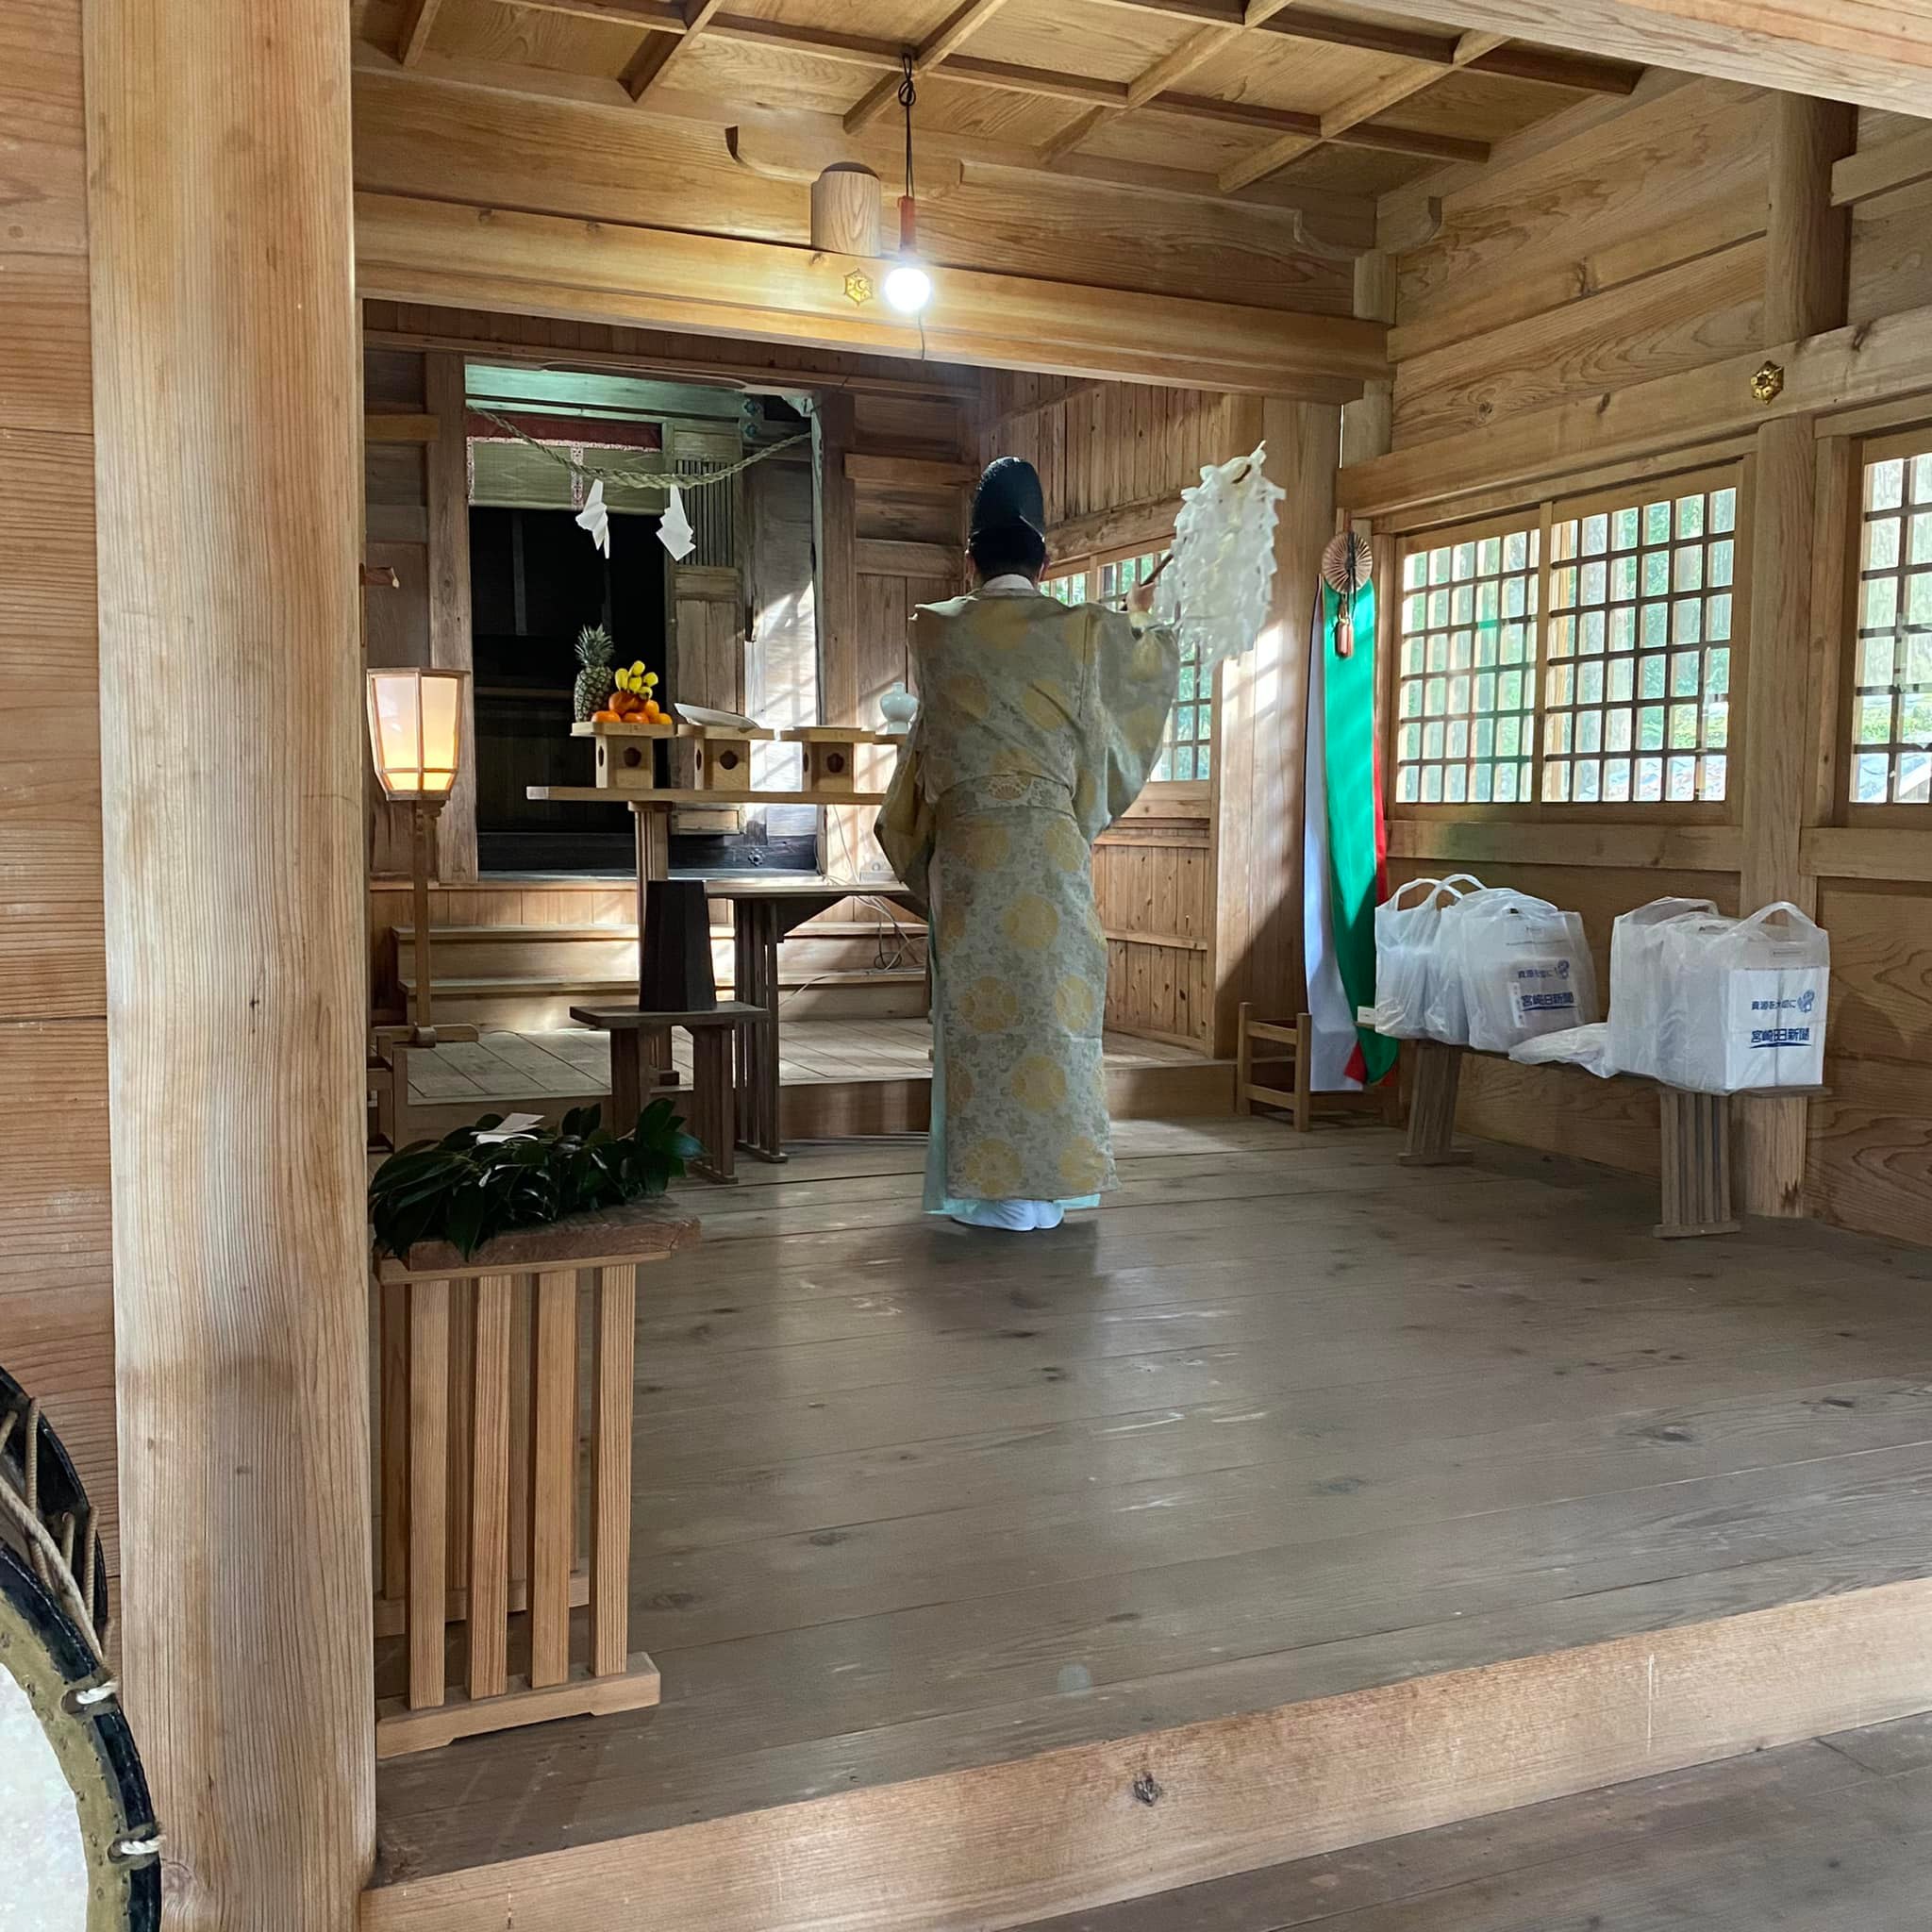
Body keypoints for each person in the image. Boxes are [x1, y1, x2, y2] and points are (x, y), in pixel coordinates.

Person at [878, 457, 1179, 1232]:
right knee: (1056, 1010)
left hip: (971, 849)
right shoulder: (1081, 630)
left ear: (971, 559)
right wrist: (1142, 614)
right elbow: (1135, 680)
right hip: (1049, 845)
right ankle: (1054, 1190)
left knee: (979, 1014)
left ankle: (991, 1191)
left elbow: (929, 743)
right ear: (1046, 561)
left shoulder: (935, 631)